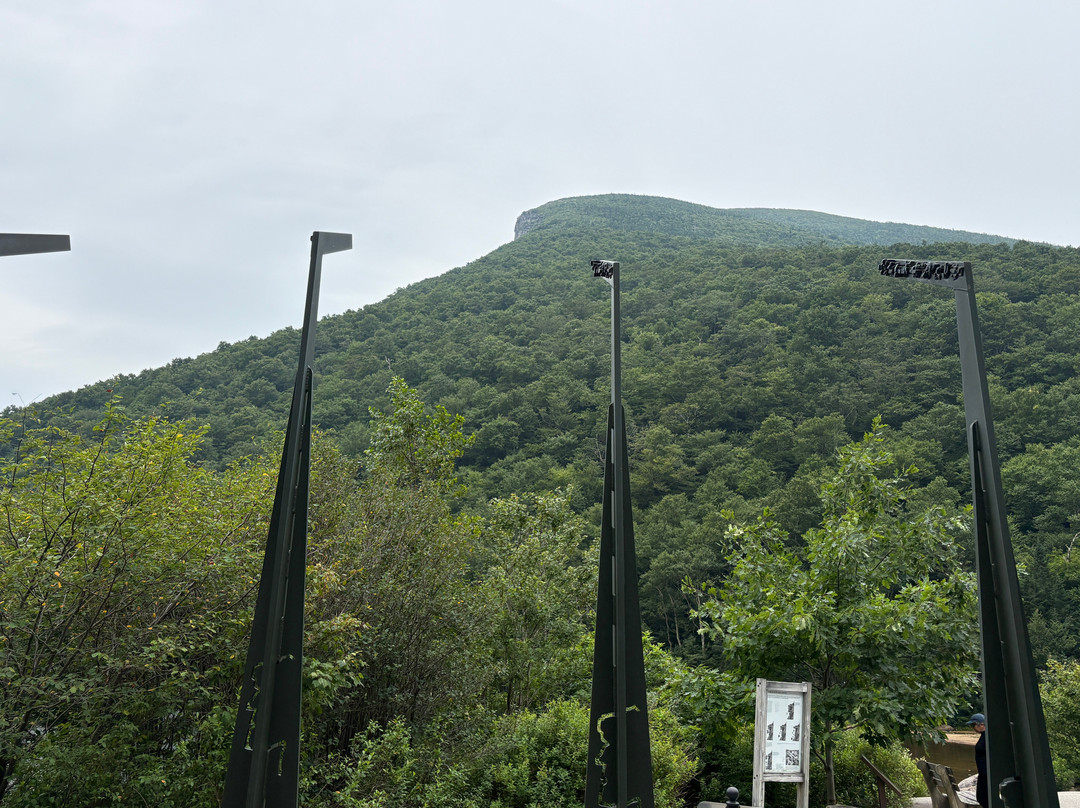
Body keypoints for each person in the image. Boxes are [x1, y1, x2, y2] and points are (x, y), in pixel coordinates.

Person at [967, 713, 987, 808]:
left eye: (973, 725)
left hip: (987, 774)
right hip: (982, 774)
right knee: (981, 798)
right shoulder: (983, 736)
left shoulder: (988, 737)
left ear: (981, 724)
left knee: (984, 798)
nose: (973, 728)